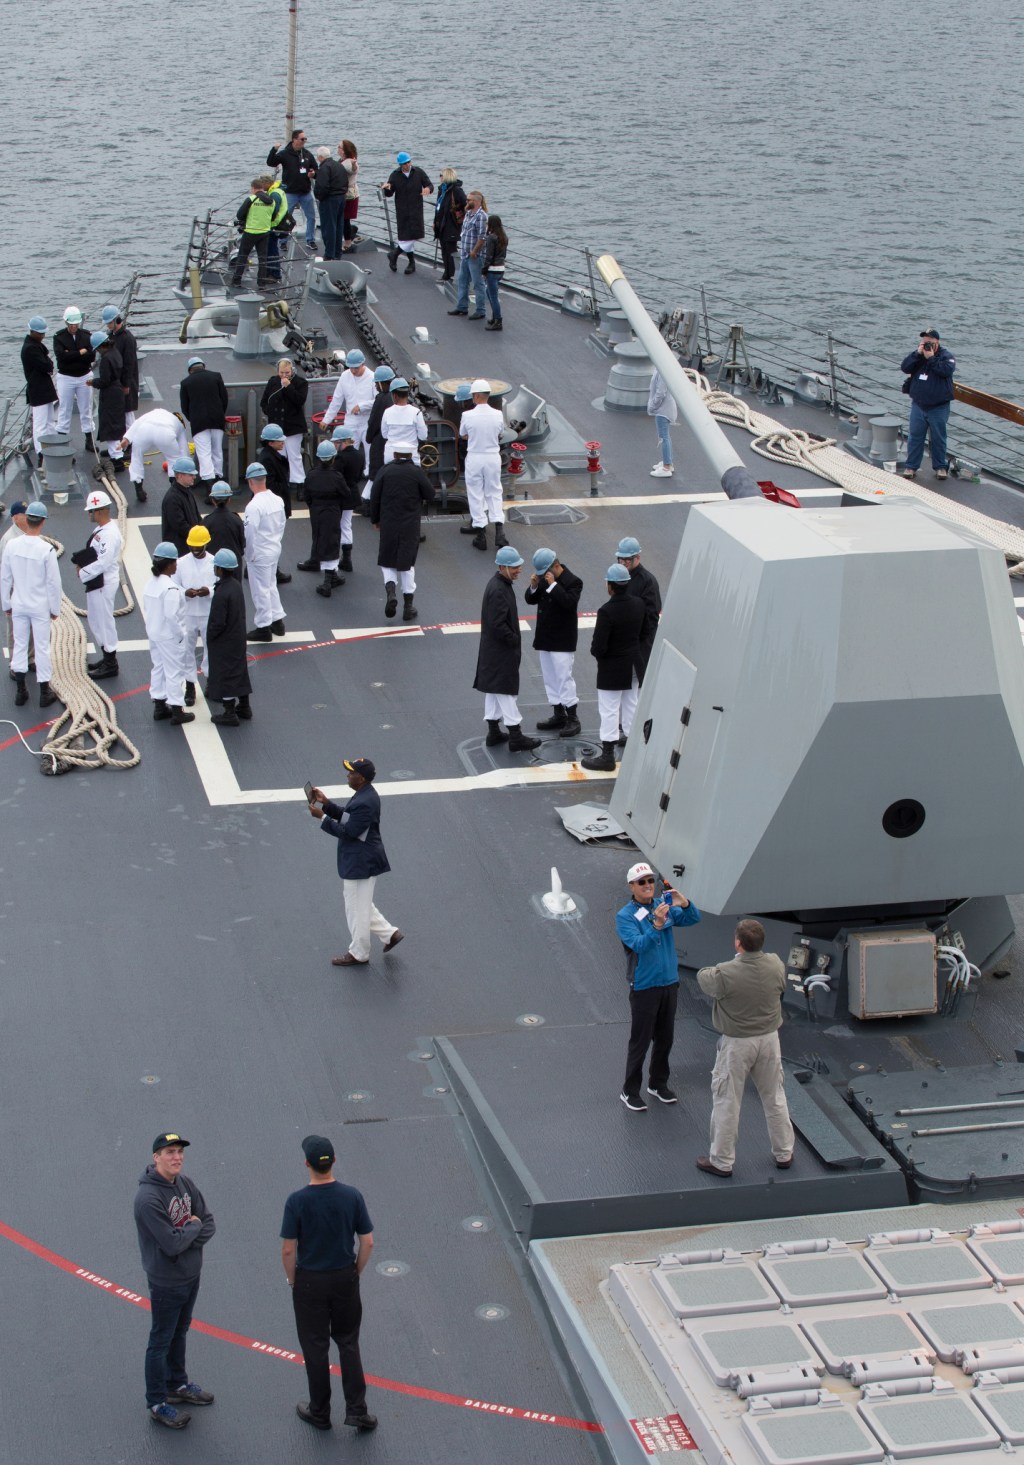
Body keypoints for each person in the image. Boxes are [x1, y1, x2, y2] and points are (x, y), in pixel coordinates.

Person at [280, 1134, 377, 1433]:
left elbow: (288, 1248)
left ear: (307, 1164)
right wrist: (355, 1271)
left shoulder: (296, 1201)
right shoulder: (352, 1196)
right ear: (333, 1161)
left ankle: (320, 1411)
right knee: (348, 1342)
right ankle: (358, 1411)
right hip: (344, 1276)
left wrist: (293, 1279)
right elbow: (367, 1242)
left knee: (315, 1346)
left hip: (310, 1281)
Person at [695, 919, 795, 1177]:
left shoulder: (725, 973)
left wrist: (726, 965)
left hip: (738, 1044)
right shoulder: (775, 963)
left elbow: (704, 978)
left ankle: (721, 1160)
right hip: (770, 1040)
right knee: (775, 1096)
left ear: (738, 943)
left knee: (727, 1100)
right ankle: (784, 1152)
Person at [133, 1133, 216, 1430]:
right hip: (167, 1281)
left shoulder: (184, 1183)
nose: (177, 1157)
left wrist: (189, 1234)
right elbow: (170, 1245)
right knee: (160, 1340)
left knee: (180, 1331)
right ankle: (156, 1401)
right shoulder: (148, 1199)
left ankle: (177, 1385)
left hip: (190, 1274)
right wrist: (191, 1229)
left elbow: (208, 1222)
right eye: (169, 1152)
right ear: (156, 1157)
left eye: (179, 1152)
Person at [616, 862, 701, 1112]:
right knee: (640, 1041)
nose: (648, 885)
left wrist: (683, 902)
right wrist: (657, 924)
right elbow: (639, 945)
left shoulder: (660, 906)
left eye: (650, 881)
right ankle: (629, 1090)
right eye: (641, 882)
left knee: (665, 1038)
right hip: (645, 986)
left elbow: (693, 918)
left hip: (668, 984)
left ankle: (658, 1083)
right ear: (632, 886)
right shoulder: (625, 916)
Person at [308, 757, 402, 967]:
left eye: (351, 773)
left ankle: (359, 953)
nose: (348, 776)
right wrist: (327, 804)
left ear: (361, 778)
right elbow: (350, 818)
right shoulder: (364, 795)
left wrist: (322, 818)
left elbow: (348, 831)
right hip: (363, 859)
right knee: (362, 905)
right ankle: (390, 934)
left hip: (361, 863)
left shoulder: (365, 801)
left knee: (356, 909)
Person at [473, 546, 541, 751]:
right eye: (514, 567)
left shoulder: (498, 585)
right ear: (502, 567)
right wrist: (513, 639)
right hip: (500, 651)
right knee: (505, 691)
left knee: (494, 689)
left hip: (493, 651)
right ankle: (515, 735)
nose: (518, 570)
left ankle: (493, 731)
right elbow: (498, 624)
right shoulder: (499, 590)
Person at [581, 564, 646, 772]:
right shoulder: (639, 604)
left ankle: (607, 755)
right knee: (631, 705)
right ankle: (637, 747)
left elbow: (598, 647)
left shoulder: (607, 611)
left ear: (610, 586)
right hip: (635, 664)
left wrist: (601, 656)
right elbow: (644, 632)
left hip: (613, 668)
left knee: (609, 710)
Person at [1, 500, 61, 710]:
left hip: (18, 604)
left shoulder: (11, 545)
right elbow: (54, 583)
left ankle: (21, 691)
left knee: (19, 646)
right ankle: (44, 693)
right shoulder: (46, 550)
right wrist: (55, 609)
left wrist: (6, 604)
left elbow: (5, 578)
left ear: (27, 519)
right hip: (39, 606)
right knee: (42, 648)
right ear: (42, 522)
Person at [369, 445, 435, 622]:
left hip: (389, 522)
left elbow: (374, 496)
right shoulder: (416, 472)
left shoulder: (385, 471)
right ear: (410, 455)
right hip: (409, 524)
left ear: (395, 454)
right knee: (407, 563)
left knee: (387, 559)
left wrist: (375, 519)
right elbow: (430, 494)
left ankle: (391, 592)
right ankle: (408, 606)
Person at [523, 547, 582, 735]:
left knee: (564, 678)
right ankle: (558, 714)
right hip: (545, 638)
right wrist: (533, 586)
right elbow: (530, 600)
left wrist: (553, 585)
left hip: (562, 640)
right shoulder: (544, 580)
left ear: (555, 566)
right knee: (549, 678)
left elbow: (568, 603)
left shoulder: (573, 582)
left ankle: (573, 717)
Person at [71, 488, 122, 682]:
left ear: (100, 511)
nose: (89, 515)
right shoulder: (102, 530)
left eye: (91, 511)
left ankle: (111, 663)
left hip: (103, 582)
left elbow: (104, 562)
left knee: (103, 620)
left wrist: (82, 572)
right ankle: (106, 656)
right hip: (97, 581)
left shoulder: (109, 534)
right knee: (95, 618)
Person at [143, 543, 194, 725]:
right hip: (169, 636)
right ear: (169, 564)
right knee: (174, 672)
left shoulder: (151, 583)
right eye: (174, 562)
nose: (176, 565)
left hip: (154, 633)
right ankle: (177, 709)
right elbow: (172, 616)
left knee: (158, 668)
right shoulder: (170, 588)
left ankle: (159, 705)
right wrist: (180, 635)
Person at [900, 328, 956, 481]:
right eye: (924, 340)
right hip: (919, 405)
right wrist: (917, 354)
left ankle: (940, 467)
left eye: (930, 340)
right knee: (915, 437)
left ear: (937, 341)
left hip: (938, 406)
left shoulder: (946, 356)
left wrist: (931, 358)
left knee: (938, 437)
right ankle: (911, 466)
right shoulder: (918, 356)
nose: (926, 343)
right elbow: (905, 367)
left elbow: (946, 371)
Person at [205, 549, 252, 726]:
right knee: (239, 670)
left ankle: (229, 712)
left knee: (225, 675)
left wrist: (210, 637)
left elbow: (218, 622)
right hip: (237, 637)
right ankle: (245, 706)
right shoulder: (236, 586)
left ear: (220, 569)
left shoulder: (222, 592)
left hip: (225, 641)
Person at [459, 377, 506, 551]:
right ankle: (500, 531)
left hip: (475, 457)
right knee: (494, 491)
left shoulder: (467, 415)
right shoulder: (498, 414)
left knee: (476, 493)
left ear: (477, 396)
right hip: (493, 457)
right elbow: (500, 433)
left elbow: (463, 434)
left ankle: (480, 535)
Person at [243, 462, 287, 642]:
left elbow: (250, 533)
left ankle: (263, 626)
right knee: (270, 585)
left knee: (260, 590)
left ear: (250, 482)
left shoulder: (253, 506)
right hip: (274, 548)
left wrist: (249, 554)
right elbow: (283, 523)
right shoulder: (278, 500)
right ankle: (277, 621)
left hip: (260, 552)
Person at [175, 526, 216, 705]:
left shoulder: (214, 562)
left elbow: (221, 583)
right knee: (186, 650)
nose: (195, 550)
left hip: (208, 612)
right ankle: (190, 684)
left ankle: (210, 679)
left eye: (199, 547)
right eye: (193, 547)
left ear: (206, 544)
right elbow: (173, 585)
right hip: (188, 614)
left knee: (210, 648)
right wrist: (185, 592)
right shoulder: (181, 563)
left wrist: (209, 591)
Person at [179, 356, 229, 493]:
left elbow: (185, 407)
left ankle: (209, 485)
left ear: (190, 370)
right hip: (217, 419)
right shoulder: (216, 376)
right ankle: (219, 479)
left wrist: (193, 418)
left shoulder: (185, 383)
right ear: (203, 366)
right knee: (217, 451)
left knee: (204, 454)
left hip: (199, 423)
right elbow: (224, 399)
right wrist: (219, 413)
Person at [120, 408, 190, 504]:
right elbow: (184, 449)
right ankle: (175, 489)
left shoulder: (155, 412)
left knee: (136, 457)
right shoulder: (179, 425)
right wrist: (188, 468)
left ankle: (138, 488)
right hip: (166, 433)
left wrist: (126, 438)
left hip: (144, 430)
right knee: (174, 459)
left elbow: (137, 422)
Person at [304, 440, 346, 599]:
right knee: (332, 542)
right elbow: (345, 494)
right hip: (332, 511)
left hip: (316, 511)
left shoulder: (312, 474)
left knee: (319, 538)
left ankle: (330, 576)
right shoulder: (336, 476)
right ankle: (329, 580)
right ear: (333, 458)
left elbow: (306, 495)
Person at [616, 536, 661, 682]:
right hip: (624, 646)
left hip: (638, 647)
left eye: (627, 559)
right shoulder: (619, 577)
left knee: (634, 693)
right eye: (620, 559)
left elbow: (651, 618)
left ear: (637, 558)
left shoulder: (647, 581)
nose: (623, 562)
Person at [380, 151, 433, 274]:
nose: (407, 165)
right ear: (400, 165)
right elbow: (389, 193)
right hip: (402, 210)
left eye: (409, 162)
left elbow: (430, 185)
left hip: (416, 209)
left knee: (415, 235)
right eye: (404, 163)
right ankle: (411, 263)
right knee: (405, 236)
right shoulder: (395, 175)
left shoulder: (418, 172)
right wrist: (387, 188)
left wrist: (427, 189)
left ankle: (394, 254)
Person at [261, 359, 308, 495]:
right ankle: (281, 482)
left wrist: (288, 387)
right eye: (281, 373)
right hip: (276, 426)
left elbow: (299, 400)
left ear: (292, 370)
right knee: (278, 456)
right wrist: (268, 411)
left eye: (287, 373)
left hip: (293, 425)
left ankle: (299, 483)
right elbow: (265, 400)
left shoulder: (300, 383)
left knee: (294, 455)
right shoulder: (273, 381)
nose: (284, 376)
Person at [267, 129, 319, 247]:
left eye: (305, 139)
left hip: (305, 192)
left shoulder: (307, 154)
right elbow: (271, 162)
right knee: (285, 217)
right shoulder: (285, 154)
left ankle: (310, 240)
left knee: (311, 217)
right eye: (302, 139)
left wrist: (313, 174)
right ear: (294, 140)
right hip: (290, 193)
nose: (304, 141)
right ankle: (283, 241)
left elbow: (316, 170)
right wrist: (274, 150)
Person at [322, 349, 375, 465]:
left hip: (367, 420)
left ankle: (369, 474)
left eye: (356, 368)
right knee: (348, 453)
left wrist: (361, 406)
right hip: (351, 420)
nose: (353, 370)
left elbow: (378, 401)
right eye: (351, 367)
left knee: (370, 452)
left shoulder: (372, 377)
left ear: (363, 364)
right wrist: (326, 419)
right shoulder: (345, 377)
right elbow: (337, 400)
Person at [53, 305, 95, 449]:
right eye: (71, 324)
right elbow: (61, 357)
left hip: (84, 376)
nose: (74, 327)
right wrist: (80, 353)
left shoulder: (87, 335)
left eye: (76, 324)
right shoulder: (59, 337)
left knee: (86, 408)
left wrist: (71, 354)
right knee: (64, 408)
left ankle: (89, 439)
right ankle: (62, 439)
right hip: (66, 377)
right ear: (66, 323)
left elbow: (91, 355)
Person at [231, 178, 285, 289]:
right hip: (264, 232)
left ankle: (236, 281)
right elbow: (273, 216)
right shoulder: (271, 201)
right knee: (262, 258)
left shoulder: (251, 199)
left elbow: (240, 215)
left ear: (253, 188)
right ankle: (261, 284)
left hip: (250, 231)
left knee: (242, 256)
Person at [0, 502, 32, 678]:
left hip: (30, 589)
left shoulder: (30, 534)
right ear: (15, 517)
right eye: (23, 513)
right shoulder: (9, 540)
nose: (27, 516)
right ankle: (15, 662)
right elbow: (5, 572)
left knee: (34, 625)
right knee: (15, 629)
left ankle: (31, 658)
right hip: (16, 590)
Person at [21, 315, 58, 463]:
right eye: (40, 333)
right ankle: (41, 454)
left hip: (45, 389)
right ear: (32, 332)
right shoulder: (31, 349)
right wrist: (48, 363)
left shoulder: (36, 346)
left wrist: (48, 363)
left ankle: (53, 447)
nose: (42, 336)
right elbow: (48, 365)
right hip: (38, 390)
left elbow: (47, 364)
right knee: (40, 424)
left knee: (49, 421)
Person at [88, 331, 126, 470]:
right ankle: (116, 453)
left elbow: (104, 381)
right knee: (116, 423)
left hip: (110, 394)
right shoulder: (115, 353)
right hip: (118, 391)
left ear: (100, 347)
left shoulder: (106, 359)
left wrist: (93, 382)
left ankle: (117, 459)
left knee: (109, 425)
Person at [448, 191, 488, 320]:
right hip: (465, 254)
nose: (466, 201)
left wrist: (474, 252)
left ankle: (481, 310)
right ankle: (462, 307)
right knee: (462, 281)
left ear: (476, 201)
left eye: (469, 200)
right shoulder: (469, 214)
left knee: (478, 283)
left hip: (475, 256)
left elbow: (482, 237)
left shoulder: (481, 216)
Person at [332, 424, 365, 570]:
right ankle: (347, 559)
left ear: (343, 442)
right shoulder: (359, 455)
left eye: (336, 442)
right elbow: (359, 476)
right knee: (346, 525)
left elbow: (335, 477)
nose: (334, 445)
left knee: (334, 527)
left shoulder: (340, 458)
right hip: (352, 494)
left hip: (339, 497)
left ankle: (333, 560)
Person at [102, 304, 140, 428]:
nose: (107, 325)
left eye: (109, 322)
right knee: (120, 413)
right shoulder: (111, 336)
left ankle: (132, 442)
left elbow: (130, 364)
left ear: (116, 320)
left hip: (125, 382)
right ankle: (125, 442)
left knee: (128, 414)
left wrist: (126, 385)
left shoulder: (127, 338)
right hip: (116, 382)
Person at [161, 456, 202, 556]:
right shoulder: (172, 498)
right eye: (190, 474)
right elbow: (180, 526)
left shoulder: (187, 491)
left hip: (188, 546)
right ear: (179, 475)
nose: (194, 477)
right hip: (179, 551)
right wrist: (198, 536)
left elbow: (196, 516)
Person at [380, 378, 427, 465]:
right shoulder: (416, 413)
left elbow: (384, 435)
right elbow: (423, 436)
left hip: (391, 455)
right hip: (411, 456)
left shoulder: (387, 412)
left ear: (394, 395)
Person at [313, 144, 348, 259]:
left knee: (329, 228)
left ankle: (329, 254)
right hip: (341, 198)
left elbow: (322, 186)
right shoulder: (339, 165)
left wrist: (319, 196)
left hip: (329, 200)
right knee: (338, 226)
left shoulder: (324, 168)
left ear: (320, 157)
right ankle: (338, 253)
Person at [202, 481, 245, 573]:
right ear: (229, 499)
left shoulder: (207, 521)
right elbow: (242, 546)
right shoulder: (237, 519)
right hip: (234, 567)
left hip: (214, 568)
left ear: (213, 500)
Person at [433, 167, 466, 281]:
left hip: (452, 226)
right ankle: (448, 273)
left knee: (451, 250)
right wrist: (435, 222)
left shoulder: (456, 191)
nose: (440, 177)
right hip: (442, 225)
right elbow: (438, 208)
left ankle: (452, 274)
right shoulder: (442, 190)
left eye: (441, 175)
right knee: (444, 250)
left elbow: (465, 204)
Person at [257, 421, 294, 518]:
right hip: (274, 505)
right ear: (270, 443)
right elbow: (270, 484)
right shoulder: (268, 459)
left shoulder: (268, 456)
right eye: (279, 440)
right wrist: (284, 488)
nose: (283, 442)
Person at [365, 365, 395, 481]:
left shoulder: (381, 399)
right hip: (393, 442)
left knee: (377, 476)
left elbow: (373, 421)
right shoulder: (395, 396)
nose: (376, 386)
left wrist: (368, 438)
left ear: (383, 383)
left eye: (377, 383)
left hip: (380, 443)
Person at [480, 214, 507, 331]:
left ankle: (498, 321)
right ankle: (495, 317)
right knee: (489, 292)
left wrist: (484, 270)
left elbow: (489, 256)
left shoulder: (491, 237)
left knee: (493, 296)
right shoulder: (504, 237)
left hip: (492, 269)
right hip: (501, 269)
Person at [647, 368, 676, 477]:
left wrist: (653, 406)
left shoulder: (662, 371)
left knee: (664, 437)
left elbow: (661, 393)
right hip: (664, 409)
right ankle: (667, 461)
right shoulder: (660, 368)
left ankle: (666, 467)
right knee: (665, 436)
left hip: (663, 410)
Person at [339, 139, 361, 248]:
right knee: (343, 219)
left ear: (344, 150)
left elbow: (353, 170)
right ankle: (350, 233)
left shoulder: (349, 162)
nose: (338, 149)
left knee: (345, 218)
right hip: (344, 194)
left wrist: (353, 165)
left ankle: (347, 242)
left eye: (339, 147)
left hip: (349, 195)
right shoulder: (342, 160)